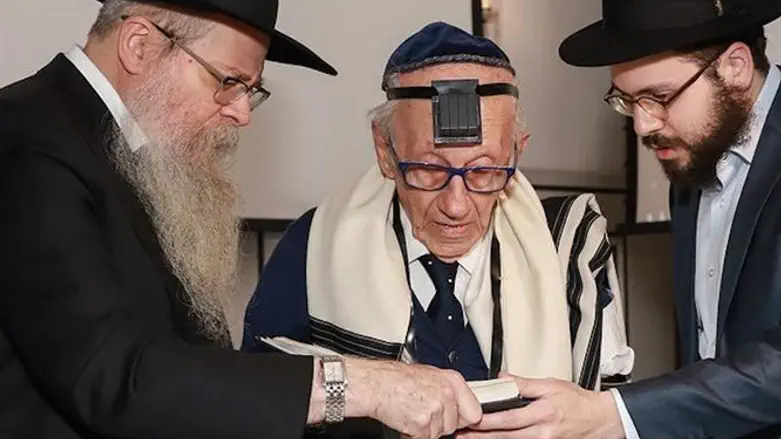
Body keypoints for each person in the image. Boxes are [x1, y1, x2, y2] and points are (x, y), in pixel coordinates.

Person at [0, 1, 485, 438]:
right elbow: (112, 378)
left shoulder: (138, 156)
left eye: (250, 91)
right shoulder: (25, 139)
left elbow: (189, 378)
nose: (242, 114)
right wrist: (359, 385)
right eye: (228, 82)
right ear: (139, 45)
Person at [241, 21, 633, 437]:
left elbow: (610, 418)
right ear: (385, 151)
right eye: (428, 170)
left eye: (484, 171)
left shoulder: (569, 248)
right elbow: (257, 403)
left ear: (517, 152)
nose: (455, 206)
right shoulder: (316, 248)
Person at [457, 0, 781, 438]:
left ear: (736, 67)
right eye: (628, 101)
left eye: (658, 98)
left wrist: (614, 413)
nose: (643, 126)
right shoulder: (693, 158)